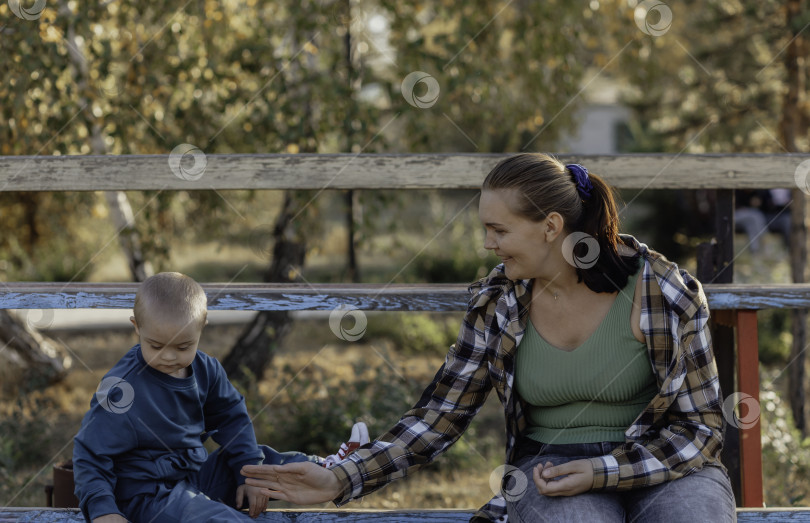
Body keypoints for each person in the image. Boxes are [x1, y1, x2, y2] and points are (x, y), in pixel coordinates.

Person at [241, 153, 736, 522]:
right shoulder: (499, 300)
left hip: (665, 462)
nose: (488, 243)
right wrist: (342, 477)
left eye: (498, 229)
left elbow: (702, 428)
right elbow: (441, 414)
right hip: (551, 468)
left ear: (550, 227)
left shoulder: (665, 292)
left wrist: (604, 470)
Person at [72, 272, 318, 523]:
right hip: (147, 495)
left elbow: (231, 418)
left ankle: (336, 469)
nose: (168, 357)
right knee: (217, 518)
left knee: (262, 461)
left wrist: (250, 476)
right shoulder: (122, 389)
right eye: (156, 346)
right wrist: (103, 510)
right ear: (137, 326)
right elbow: (89, 452)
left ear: (202, 326)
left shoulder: (206, 370)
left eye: (183, 347)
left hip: (194, 477)